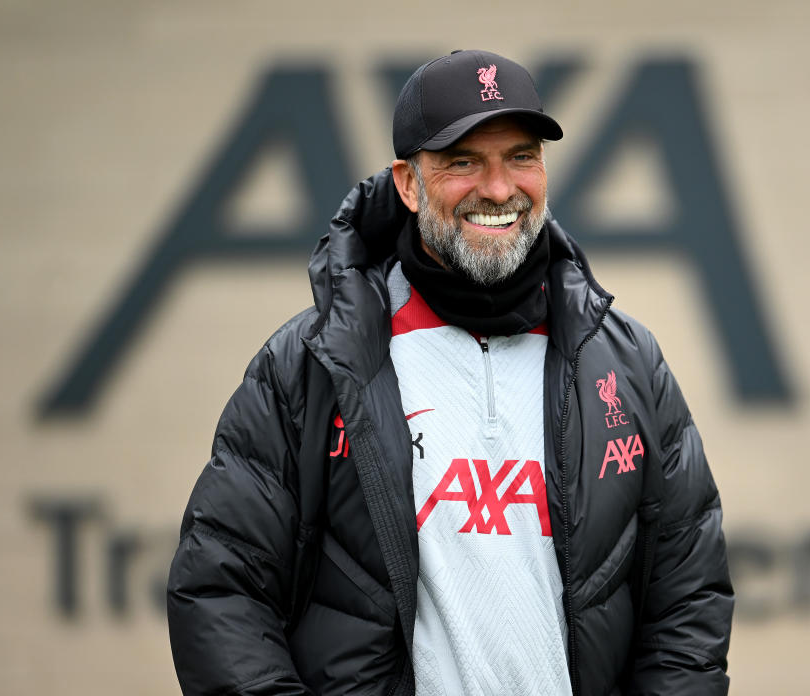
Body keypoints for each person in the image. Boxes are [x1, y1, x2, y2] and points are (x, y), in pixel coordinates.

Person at [167, 49, 733, 696]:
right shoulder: (310, 363)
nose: (499, 189)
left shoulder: (627, 361)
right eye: (463, 162)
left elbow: (689, 597)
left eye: (521, 156)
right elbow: (220, 589)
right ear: (407, 183)